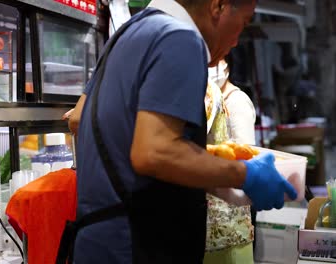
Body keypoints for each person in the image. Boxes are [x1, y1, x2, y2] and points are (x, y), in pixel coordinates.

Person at [64, 0, 297, 263]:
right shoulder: (180, 38)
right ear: (218, 6)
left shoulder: (127, 33)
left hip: (98, 243)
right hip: (137, 246)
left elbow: (81, 118)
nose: (235, 41)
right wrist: (245, 175)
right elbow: (153, 153)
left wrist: (207, 164)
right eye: (243, 23)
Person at [203, 59, 256, 264]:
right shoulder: (211, 94)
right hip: (212, 219)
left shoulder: (235, 100)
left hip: (227, 218)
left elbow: (245, 156)